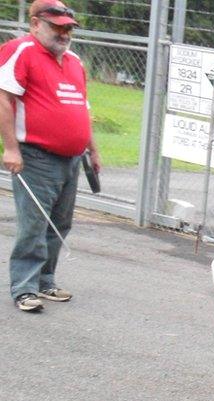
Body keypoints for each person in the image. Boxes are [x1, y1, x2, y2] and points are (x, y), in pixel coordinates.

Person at [0, 0, 100, 312]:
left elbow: (81, 107)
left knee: (59, 223)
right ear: (34, 24)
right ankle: (24, 288)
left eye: (67, 27)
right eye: (56, 26)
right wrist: (11, 147)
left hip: (71, 158)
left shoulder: (73, 61)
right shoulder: (22, 51)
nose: (64, 33)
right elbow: (4, 98)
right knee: (35, 224)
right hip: (36, 156)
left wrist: (92, 148)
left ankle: (46, 281)